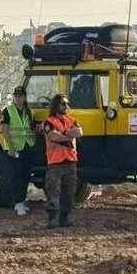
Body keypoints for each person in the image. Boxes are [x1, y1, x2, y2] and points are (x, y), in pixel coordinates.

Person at [42, 93, 82, 229]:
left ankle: (66, 220)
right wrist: (68, 135)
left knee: (69, 192)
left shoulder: (72, 120)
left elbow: (79, 132)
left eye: (67, 103)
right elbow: (52, 136)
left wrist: (62, 134)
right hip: (55, 162)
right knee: (53, 192)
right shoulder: (49, 122)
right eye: (63, 104)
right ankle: (52, 221)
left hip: (70, 161)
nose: (66, 106)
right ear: (56, 106)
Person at [0, 85, 36, 216]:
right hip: (14, 148)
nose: (18, 98)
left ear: (25, 97)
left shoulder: (29, 111)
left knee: (25, 175)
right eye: (16, 96)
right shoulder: (8, 110)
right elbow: (5, 129)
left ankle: (22, 200)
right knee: (16, 176)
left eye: (20, 96)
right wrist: (11, 147)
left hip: (28, 147)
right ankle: (17, 203)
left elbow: (31, 128)